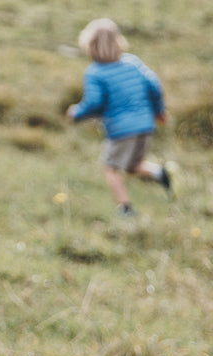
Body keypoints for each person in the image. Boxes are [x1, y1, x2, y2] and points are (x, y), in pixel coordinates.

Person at [67, 18, 172, 217]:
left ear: (90, 45)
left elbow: (94, 102)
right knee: (132, 166)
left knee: (111, 168)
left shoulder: (95, 72)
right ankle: (159, 173)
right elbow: (154, 86)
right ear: (118, 41)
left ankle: (125, 209)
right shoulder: (133, 63)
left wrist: (76, 113)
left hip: (121, 129)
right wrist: (159, 111)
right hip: (146, 125)